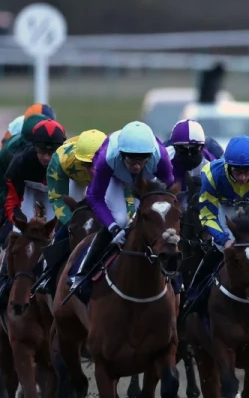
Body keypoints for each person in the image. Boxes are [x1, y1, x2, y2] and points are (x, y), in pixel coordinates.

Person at [184, 135, 249, 313]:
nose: (242, 177)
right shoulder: (211, 175)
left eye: (248, 172)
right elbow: (208, 215)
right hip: (226, 209)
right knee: (218, 249)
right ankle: (194, 296)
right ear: (226, 166)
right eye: (237, 171)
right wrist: (223, 240)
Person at [68, 121, 175, 292]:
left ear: (151, 154)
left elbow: (168, 188)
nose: (137, 166)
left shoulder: (161, 158)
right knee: (121, 220)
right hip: (115, 178)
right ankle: (81, 272)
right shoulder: (106, 158)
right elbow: (94, 196)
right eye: (132, 159)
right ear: (121, 154)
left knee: (154, 219)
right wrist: (112, 228)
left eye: (143, 159)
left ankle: (175, 277)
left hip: (146, 184)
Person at [0, 118, 68, 309]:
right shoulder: (21, 161)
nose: (47, 158)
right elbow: (11, 196)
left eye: (51, 153)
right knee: (17, 235)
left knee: (58, 235)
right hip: (29, 192)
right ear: (34, 147)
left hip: (54, 195)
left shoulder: (67, 163)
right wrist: (18, 218)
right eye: (42, 152)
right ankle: (2, 285)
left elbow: (68, 197)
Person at [32, 129, 109, 294]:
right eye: (87, 164)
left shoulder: (114, 159)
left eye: (96, 163)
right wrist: (72, 223)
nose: (93, 169)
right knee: (71, 226)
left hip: (104, 182)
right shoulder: (60, 161)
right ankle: (47, 275)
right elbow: (57, 199)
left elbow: (127, 199)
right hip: (75, 181)